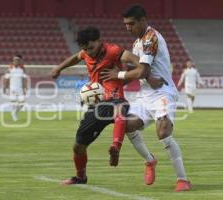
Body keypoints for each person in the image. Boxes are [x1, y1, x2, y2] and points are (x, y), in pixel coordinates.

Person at [51, 26, 165, 185]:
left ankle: (115, 147)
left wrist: (149, 77)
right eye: (85, 49)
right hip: (97, 104)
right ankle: (80, 177)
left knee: (120, 113)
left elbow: (138, 62)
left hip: (116, 98)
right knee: (78, 147)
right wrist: (58, 68)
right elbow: (76, 57)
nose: (88, 52)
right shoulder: (85, 52)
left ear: (99, 41)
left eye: (91, 47)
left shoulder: (113, 50)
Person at [100, 5, 192, 192]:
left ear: (143, 20)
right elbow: (137, 74)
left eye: (131, 23)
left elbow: (141, 71)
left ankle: (183, 179)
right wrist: (107, 88)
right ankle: (150, 161)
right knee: (126, 124)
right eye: (125, 24)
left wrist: (117, 76)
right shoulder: (137, 43)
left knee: (163, 131)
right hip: (144, 95)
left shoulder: (151, 38)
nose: (128, 28)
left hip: (162, 92)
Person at [3, 55, 28, 121]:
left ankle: (15, 112)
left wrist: (25, 88)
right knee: (13, 103)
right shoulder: (10, 68)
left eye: (17, 60)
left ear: (19, 61)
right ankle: (14, 115)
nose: (16, 62)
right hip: (12, 89)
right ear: (13, 61)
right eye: (15, 60)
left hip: (20, 89)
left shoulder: (22, 69)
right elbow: (6, 79)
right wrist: (4, 88)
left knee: (22, 103)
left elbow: (24, 79)